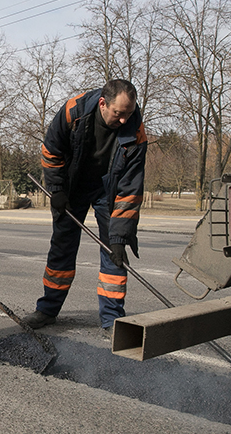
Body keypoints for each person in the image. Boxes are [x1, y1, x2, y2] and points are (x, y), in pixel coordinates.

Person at [22, 79, 147, 332]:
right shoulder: (74, 112)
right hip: (72, 186)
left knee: (114, 251)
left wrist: (120, 235)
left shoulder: (135, 132)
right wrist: (57, 190)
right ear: (103, 103)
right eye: (118, 114)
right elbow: (51, 150)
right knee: (62, 247)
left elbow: (130, 188)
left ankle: (112, 319)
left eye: (129, 113)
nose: (124, 120)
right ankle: (47, 310)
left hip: (108, 190)